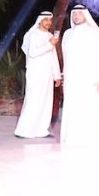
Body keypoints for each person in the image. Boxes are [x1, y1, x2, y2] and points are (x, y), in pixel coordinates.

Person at [59, 4, 99, 146]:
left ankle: (88, 140)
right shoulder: (67, 34)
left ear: (85, 15)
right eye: (74, 13)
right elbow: (65, 57)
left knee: (88, 108)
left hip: (90, 78)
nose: (76, 16)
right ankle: (70, 139)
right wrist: (64, 75)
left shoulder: (95, 33)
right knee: (72, 108)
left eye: (79, 13)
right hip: (71, 78)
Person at [14, 11, 61, 139]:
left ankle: (41, 130)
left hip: (47, 74)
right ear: (40, 21)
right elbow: (33, 53)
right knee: (33, 100)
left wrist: (57, 75)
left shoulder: (50, 36)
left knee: (46, 101)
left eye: (50, 20)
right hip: (35, 73)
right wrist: (50, 44)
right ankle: (23, 130)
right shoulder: (33, 35)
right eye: (46, 20)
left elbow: (53, 57)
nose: (48, 22)